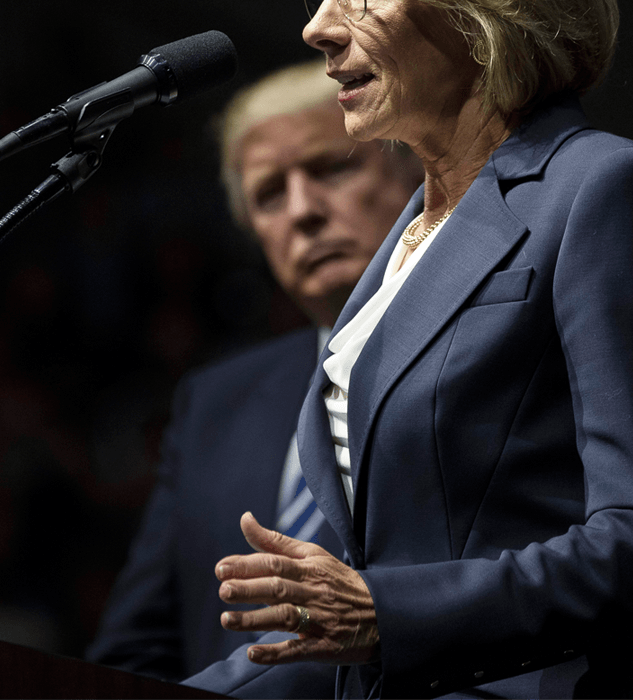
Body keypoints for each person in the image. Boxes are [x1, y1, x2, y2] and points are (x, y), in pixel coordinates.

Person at [187, 0, 633, 700]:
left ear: (482, 1)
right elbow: (338, 624)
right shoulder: (401, 243)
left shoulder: (605, 190)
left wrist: (386, 613)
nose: (319, 25)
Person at [86, 58, 423, 695]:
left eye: (331, 167)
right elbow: (135, 648)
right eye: (270, 194)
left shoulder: (482, 344)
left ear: (413, 170)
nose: (302, 211)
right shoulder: (214, 401)